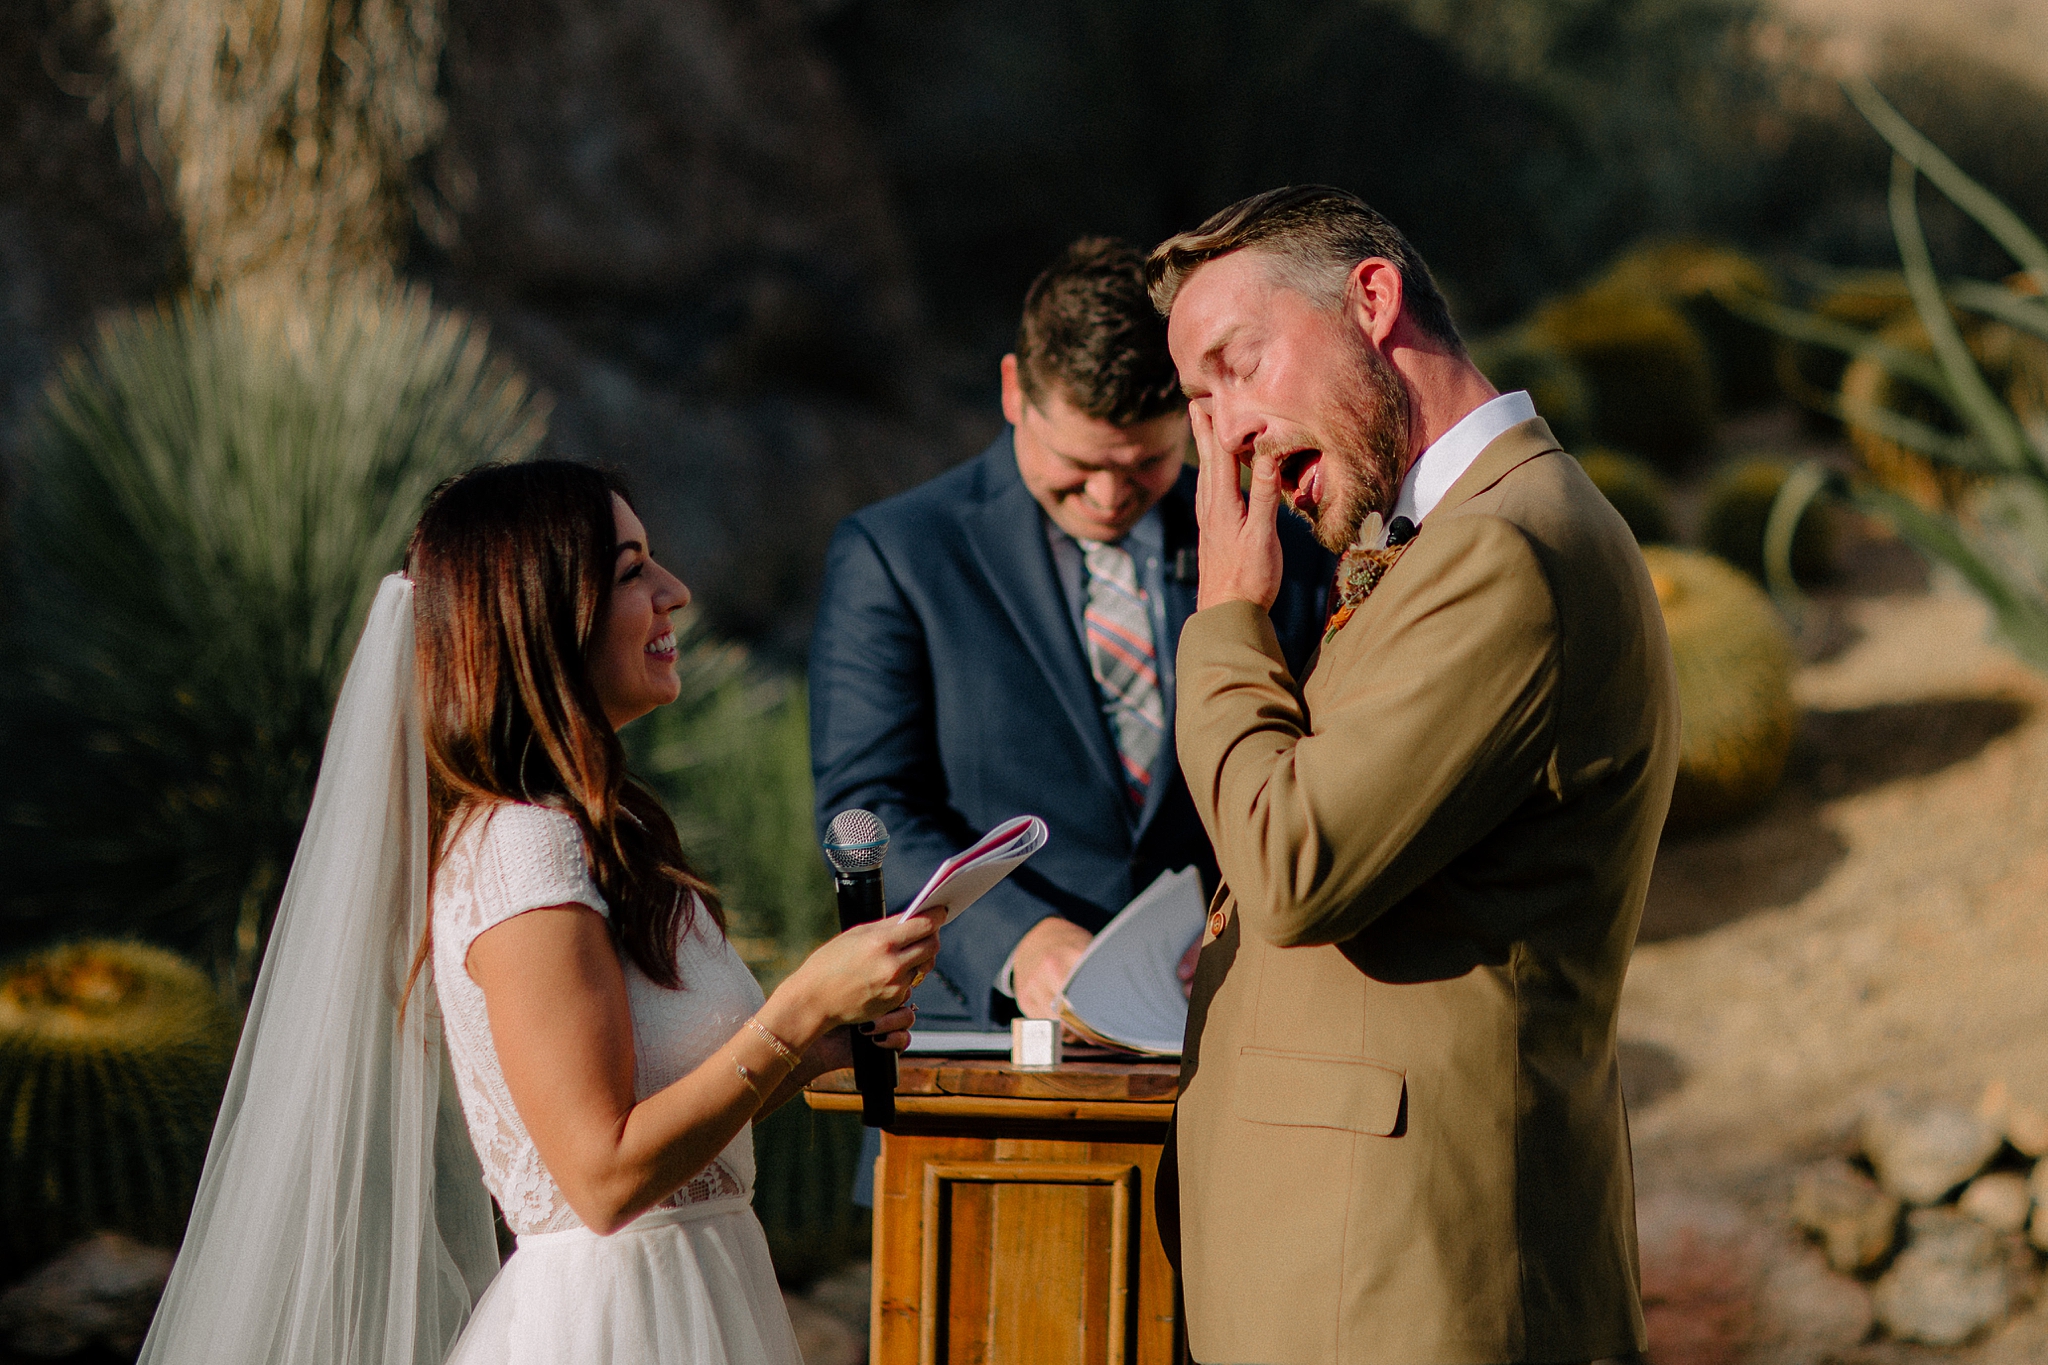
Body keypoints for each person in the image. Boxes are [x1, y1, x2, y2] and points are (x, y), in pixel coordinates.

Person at [139, 460, 939, 1365]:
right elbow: (600, 1177)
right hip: (613, 1322)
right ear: (544, 617)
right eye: (632, 570)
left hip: (699, 1288)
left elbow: (666, 1129)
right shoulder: (522, 848)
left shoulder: (603, 827)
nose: (673, 591)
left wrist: (818, 1042)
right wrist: (792, 1009)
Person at [1150, 186, 1679, 1363]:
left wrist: (1225, 624)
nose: (1226, 432)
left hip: (1411, 1299)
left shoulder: (1508, 549)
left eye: (1236, 368)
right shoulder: (1457, 541)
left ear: (1372, 300)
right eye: (1197, 403)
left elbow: (1294, 867)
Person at [809, 236, 1332, 1041]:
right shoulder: (899, 554)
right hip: (979, 1045)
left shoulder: (1284, 550)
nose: (1109, 495)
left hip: (1227, 1033)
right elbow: (868, 806)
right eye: (1080, 462)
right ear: (1017, 391)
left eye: (1147, 464)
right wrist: (1019, 942)